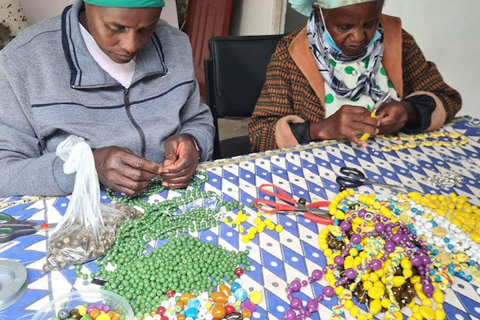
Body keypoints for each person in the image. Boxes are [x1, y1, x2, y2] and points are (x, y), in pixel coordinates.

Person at [0, 0, 214, 197]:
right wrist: (87, 167)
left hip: (174, 206)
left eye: (146, 28)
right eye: (116, 28)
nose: (131, 45)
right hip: (78, 217)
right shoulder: (22, 61)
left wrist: (193, 143)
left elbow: (197, 119)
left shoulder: (175, 44)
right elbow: (5, 172)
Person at [248, 0, 461, 152]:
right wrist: (321, 129)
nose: (359, 37)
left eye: (370, 24)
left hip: (397, 162)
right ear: (319, 11)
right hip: (323, 172)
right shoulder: (292, 54)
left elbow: (446, 98)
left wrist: (408, 111)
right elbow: (261, 134)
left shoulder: (396, 40)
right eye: (345, 27)